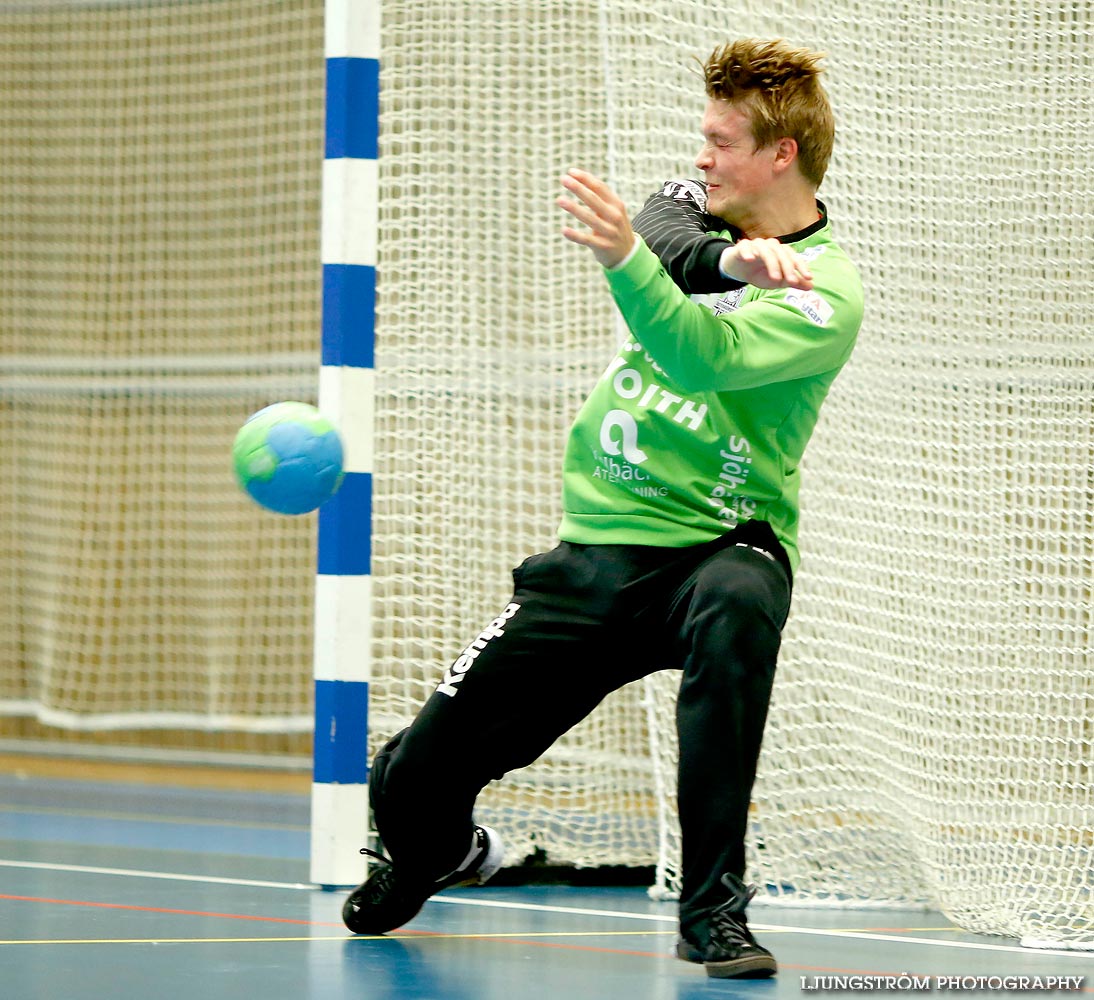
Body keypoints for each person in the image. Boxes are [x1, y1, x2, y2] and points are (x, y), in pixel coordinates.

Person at [342, 38, 863, 981]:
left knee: (740, 603)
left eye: (720, 140)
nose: (700, 157)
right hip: (597, 554)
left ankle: (715, 913)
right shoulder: (696, 203)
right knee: (412, 777)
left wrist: (649, 264)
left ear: (780, 153)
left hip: (721, 546)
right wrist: (724, 264)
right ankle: (431, 852)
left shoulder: (831, 292)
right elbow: (666, 238)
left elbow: (703, 357)